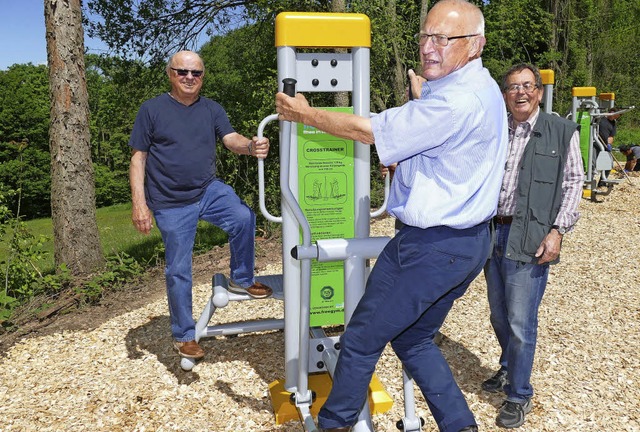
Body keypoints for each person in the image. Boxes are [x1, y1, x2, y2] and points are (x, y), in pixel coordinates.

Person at [276, 1, 508, 431]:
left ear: (475, 45)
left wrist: (303, 114)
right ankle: (461, 425)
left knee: (362, 337)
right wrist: (421, 104)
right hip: (468, 243)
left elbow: (368, 131)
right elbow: (446, 145)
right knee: (413, 337)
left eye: (443, 39)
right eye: (425, 36)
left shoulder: (453, 102)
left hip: (429, 247)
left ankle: (335, 423)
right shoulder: (479, 85)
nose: (428, 47)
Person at [129, 50, 273, 360]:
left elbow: (230, 138)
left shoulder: (212, 109)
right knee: (179, 269)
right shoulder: (152, 110)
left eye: (196, 73)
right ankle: (184, 335)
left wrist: (250, 146)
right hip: (169, 201)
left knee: (243, 217)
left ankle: (242, 278)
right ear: (171, 74)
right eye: (183, 72)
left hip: (207, 189)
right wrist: (139, 204)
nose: (190, 78)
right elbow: (138, 157)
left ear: (203, 77)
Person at [481, 63, 583, 429]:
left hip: (531, 236)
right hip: (491, 233)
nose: (520, 92)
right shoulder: (495, 130)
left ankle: (519, 394)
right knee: (498, 314)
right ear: (505, 94)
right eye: (512, 87)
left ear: (538, 92)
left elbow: (573, 183)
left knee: (522, 321)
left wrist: (557, 231)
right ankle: (508, 368)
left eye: (527, 86)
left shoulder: (560, 130)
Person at [596, 108, 621, 185]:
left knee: (608, 164)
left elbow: (611, 136)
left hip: (605, 145)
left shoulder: (613, 123)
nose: (616, 117)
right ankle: (589, 182)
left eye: (618, 116)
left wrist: (609, 144)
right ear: (612, 112)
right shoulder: (600, 118)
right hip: (595, 143)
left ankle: (602, 183)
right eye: (616, 115)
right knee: (593, 164)